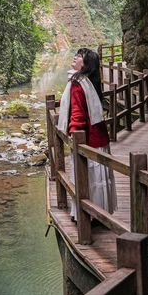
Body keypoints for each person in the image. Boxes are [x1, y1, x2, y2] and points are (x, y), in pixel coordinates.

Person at [58, 48, 117, 220]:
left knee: (86, 178)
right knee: (97, 178)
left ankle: (86, 217)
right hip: (99, 137)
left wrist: (74, 134)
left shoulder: (77, 82)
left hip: (88, 139)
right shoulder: (90, 81)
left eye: (79, 56)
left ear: (85, 64)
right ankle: (99, 214)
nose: (75, 57)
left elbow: (78, 112)